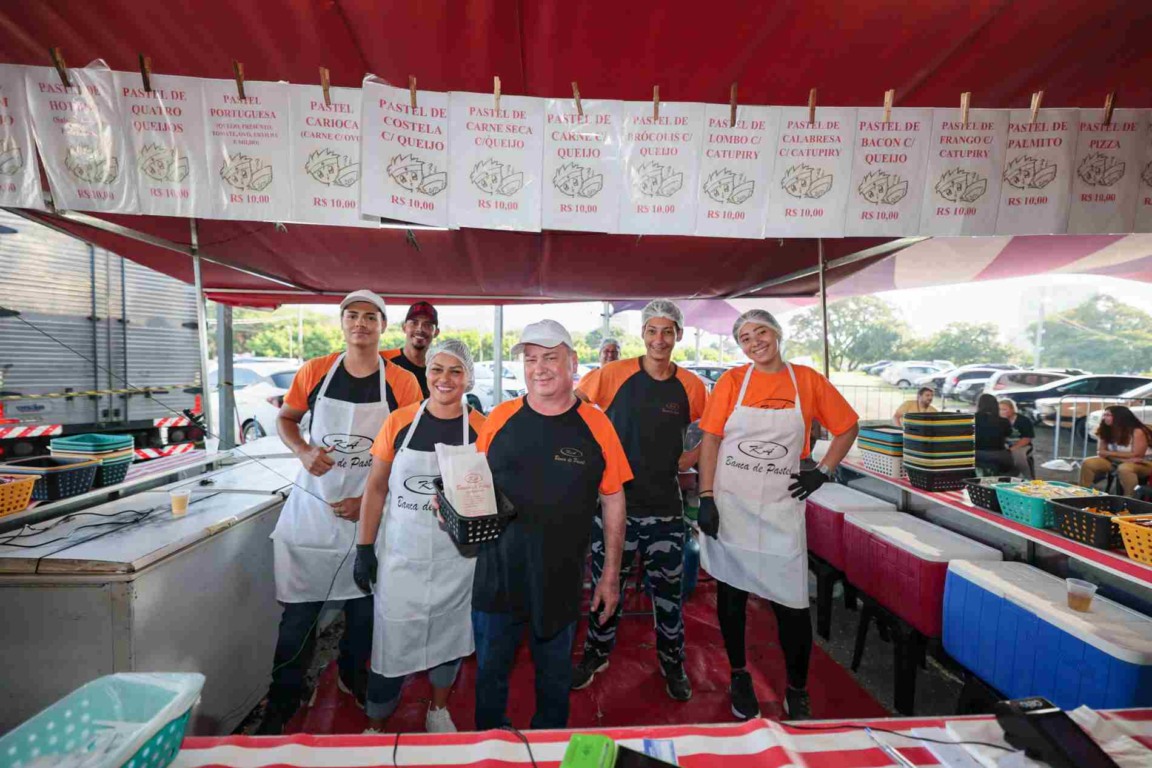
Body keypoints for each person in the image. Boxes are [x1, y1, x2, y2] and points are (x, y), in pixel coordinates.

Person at [262, 290, 423, 735]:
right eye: (352, 316)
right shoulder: (315, 370)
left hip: (367, 517)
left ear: (382, 326)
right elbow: (287, 420)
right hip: (311, 517)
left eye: (370, 317)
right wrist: (303, 451)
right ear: (342, 323)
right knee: (298, 617)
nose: (360, 324)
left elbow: (408, 452)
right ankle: (284, 698)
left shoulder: (402, 383)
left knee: (365, 613)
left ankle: (354, 677)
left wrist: (371, 501)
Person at [696, 310, 859, 721]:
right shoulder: (733, 382)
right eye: (745, 338)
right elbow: (711, 438)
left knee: (792, 603)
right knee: (731, 593)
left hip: (782, 509)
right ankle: (737, 675)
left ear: (777, 333)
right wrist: (707, 496)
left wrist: (823, 472)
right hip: (732, 503)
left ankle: (797, 688)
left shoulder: (807, 381)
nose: (754, 342)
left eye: (761, 332)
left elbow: (847, 426)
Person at [470, 319, 633, 729]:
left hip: (558, 581)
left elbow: (613, 499)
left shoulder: (598, 425)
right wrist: (452, 505)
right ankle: (489, 748)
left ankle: (549, 746)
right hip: (497, 577)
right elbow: (472, 484)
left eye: (549, 358)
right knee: (489, 676)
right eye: (530, 359)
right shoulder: (499, 417)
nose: (538, 368)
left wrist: (609, 577)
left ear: (573, 362)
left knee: (554, 682)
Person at [572, 300, 707, 701]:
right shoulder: (614, 373)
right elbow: (576, 405)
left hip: (666, 506)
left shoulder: (692, 385)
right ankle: (597, 654)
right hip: (615, 507)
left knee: (669, 593)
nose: (659, 339)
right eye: (652, 331)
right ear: (643, 334)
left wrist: (690, 457)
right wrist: (594, 454)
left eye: (668, 331)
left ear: (679, 335)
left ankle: (672, 661)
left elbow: (707, 429)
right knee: (605, 586)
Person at [353, 339, 486, 734]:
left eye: (455, 371)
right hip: (401, 559)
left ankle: (437, 710)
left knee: (450, 637)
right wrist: (364, 547)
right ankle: (377, 724)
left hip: (457, 561)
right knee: (390, 643)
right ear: (426, 373)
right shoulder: (399, 421)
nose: (445, 379)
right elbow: (376, 488)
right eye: (437, 370)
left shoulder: (482, 427)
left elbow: (490, 494)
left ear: (468, 378)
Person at [1079, 405, 1152, 496]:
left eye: (1108, 415)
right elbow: (1101, 452)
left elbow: (1137, 455)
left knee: (1125, 468)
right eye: (1104, 415)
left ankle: (1129, 498)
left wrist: (1109, 454)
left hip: (1143, 463)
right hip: (1115, 461)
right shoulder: (1105, 429)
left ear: (1119, 417)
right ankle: (1083, 493)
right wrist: (1122, 458)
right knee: (1088, 462)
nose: (1104, 417)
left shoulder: (1137, 431)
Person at [383, 301, 440, 397]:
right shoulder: (383, 360)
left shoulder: (440, 369)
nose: (420, 329)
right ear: (404, 327)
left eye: (427, 325)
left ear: (436, 332)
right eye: (414, 323)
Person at [974, 393, 1014, 475]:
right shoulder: (1004, 421)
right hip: (999, 455)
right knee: (1014, 467)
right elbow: (1008, 434)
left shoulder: (971, 419)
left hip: (976, 454)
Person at [998, 399, 1035, 478]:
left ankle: (1029, 478)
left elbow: (1027, 438)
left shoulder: (1024, 420)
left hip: (1022, 445)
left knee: (1018, 455)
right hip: (1005, 445)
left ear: (1012, 409)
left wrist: (1012, 448)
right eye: (1000, 409)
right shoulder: (998, 420)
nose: (1002, 412)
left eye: (1004, 409)